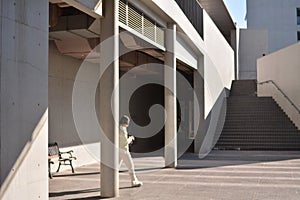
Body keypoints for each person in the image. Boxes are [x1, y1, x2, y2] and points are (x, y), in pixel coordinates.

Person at [119, 115, 143, 187]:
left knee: (116, 167)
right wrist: (130, 139)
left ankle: (111, 182)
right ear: (125, 122)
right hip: (124, 150)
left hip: (118, 150)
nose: (127, 125)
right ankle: (134, 181)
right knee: (130, 166)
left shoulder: (119, 128)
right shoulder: (122, 129)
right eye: (127, 123)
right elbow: (125, 142)